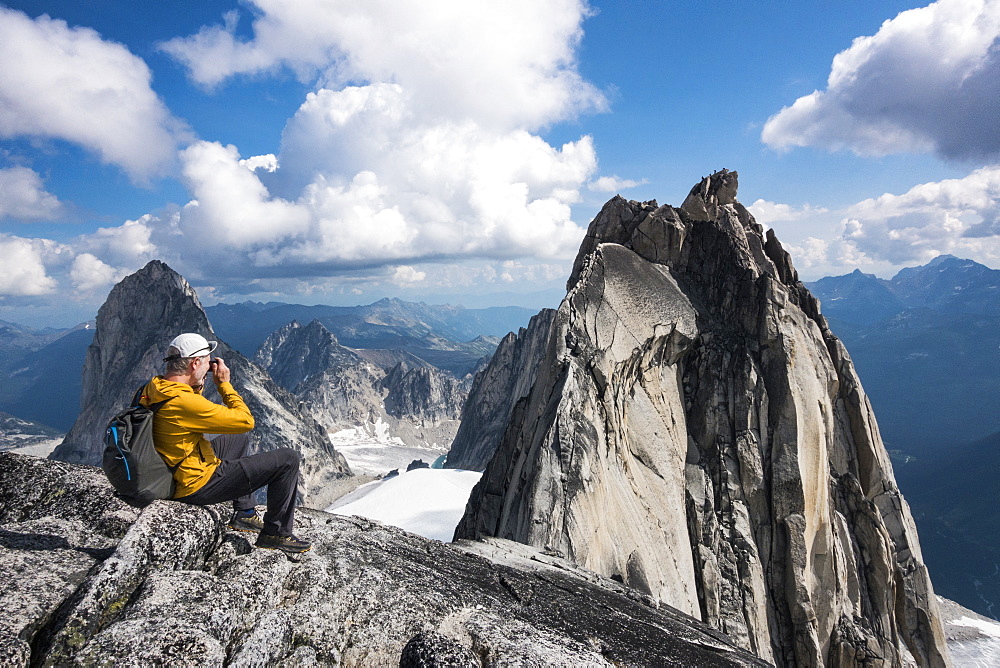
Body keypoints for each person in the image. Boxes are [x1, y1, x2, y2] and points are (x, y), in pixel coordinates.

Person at [141, 332, 310, 554]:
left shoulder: (156, 387)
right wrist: (224, 385)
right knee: (288, 459)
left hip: (170, 469)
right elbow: (245, 421)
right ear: (195, 363)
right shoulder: (182, 402)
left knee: (236, 438)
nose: (209, 365)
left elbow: (192, 409)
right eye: (206, 361)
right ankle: (275, 533)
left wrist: (197, 381)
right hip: (194, 485)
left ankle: (245, 513)